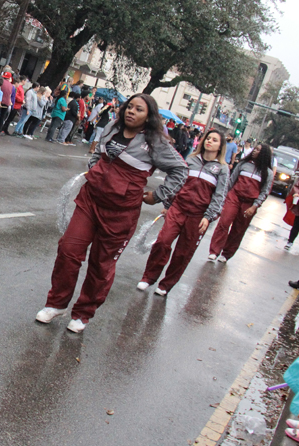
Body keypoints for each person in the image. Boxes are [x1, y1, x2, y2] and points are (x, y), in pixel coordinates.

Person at [35, 94, 188, 332]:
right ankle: (56, 303)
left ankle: (83, 314)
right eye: (130, 107)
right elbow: (98, 153)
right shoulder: (112, 126)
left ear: (148, 116)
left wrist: (158, 195)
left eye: (139, 109)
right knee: (68, 250)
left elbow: (180, 169)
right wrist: (94, 170)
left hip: (121, 213)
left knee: (101, 265)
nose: (131, 112)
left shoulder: (155, 142)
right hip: (90, 201)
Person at [137, 129, 229, 296]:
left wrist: (208, 217)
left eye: (214, 140)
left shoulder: (222, 169)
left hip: (198, 217)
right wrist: (168, 203)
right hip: (178, 208)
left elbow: (220, 196)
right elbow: (178, 182)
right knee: (162, 242)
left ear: (220, 146)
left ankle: (165, 285)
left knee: (183, 253)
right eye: (208, 138)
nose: (209, 141)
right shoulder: (191, 160)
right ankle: (148, 277)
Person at [207, 143, 274, 262]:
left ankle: (226, 254)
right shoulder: (243, 164)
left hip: (249, 203)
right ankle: (214, 251)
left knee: (239, 229)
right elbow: (231, 180)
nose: (254, 151)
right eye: (254, 149)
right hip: (234, 197)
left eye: (258, 150)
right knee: (224, 222)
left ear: (264, 154)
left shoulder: (267, 173)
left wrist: (254, 206)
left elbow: (264, 192)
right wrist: (224, 196)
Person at [0, 71, 14, 136]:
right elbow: (10, 94)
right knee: (2, 118)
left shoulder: (1, 81)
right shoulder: (11, 85)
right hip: (6, 102)